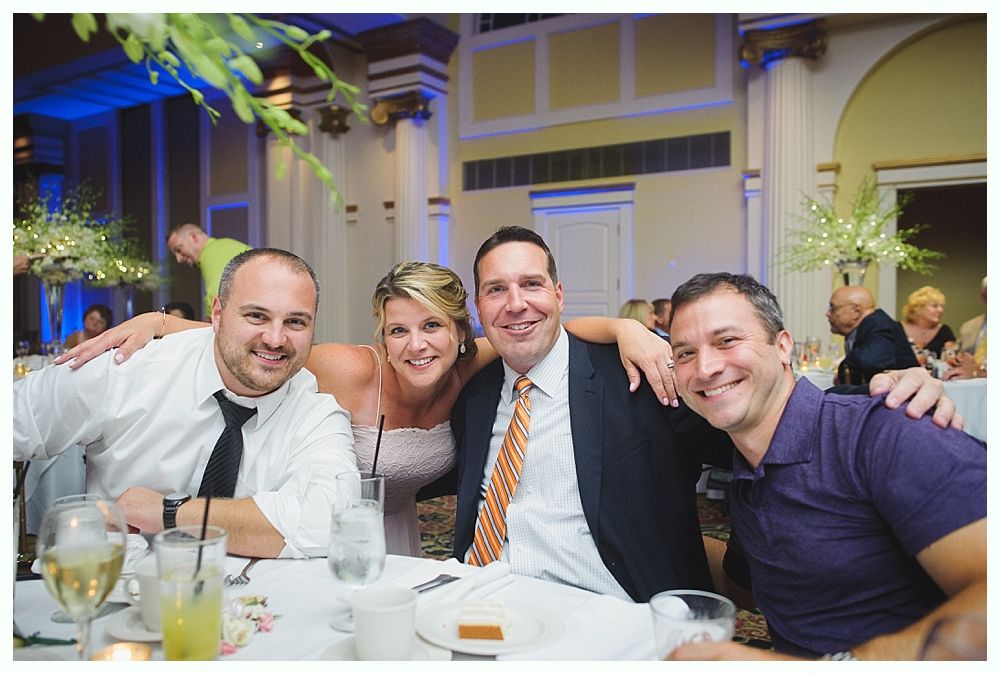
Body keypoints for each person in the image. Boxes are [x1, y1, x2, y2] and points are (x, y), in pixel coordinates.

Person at [450, 226, 958, 602]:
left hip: (603, 613)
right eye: (497, 290)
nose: (516, 303)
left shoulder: (639, 375)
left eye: (532, 285)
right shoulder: (474, 397)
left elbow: (767, 416)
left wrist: (881, 394)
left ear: (559, 295)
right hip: (479, 601)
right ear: (479, 304)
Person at [55, 261, 683, 556]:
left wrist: (628, 331)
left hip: (399, 539)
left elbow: (548, 329)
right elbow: (260, 345)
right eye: (398, 329)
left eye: (432, 327)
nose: (416, 346)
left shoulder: (473, 365)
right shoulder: (343, 366)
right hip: (301, 528)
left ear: (462, 334)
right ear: (379, 334)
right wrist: (162, 321)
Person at [667, 273, 985, 661]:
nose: (705, 368)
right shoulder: (749, 473)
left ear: (783, 346)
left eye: (727, 341)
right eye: (684, 353)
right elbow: (749, 586)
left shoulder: (884, 432)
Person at [14, 248, 358, 559]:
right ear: (218, 314)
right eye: (256, 316)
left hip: (257, 615)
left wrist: (167, 513)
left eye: (296, 322)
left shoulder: (315, 411)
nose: (275, 338)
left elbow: (333, 521)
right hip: (116, 600)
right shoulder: (128, 370)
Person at [826, 285, 917, 385]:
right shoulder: (869, 325)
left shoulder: (880, 325)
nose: (827, 313)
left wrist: (842, 368)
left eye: (832, 308)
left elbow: (870, 361)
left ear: (856, 311)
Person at [166, 222, 251, 318]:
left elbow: (217, 298)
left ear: (194, 237)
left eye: (179, 250)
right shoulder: (223, 246)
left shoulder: (211, 252)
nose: (178, 259)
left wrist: (207, 326)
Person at [945, 276, 987, 380]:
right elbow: (960, 355)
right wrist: (958, 358)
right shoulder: (968, 327)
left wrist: (978, 372)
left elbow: (974, 370)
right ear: (983, 296)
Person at [900, 285, 956, 358]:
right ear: (918, 308)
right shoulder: (897, 329)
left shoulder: (945, 331)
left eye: (941, 306)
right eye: (934, 306)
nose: (940, 310)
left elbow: (950, 359)